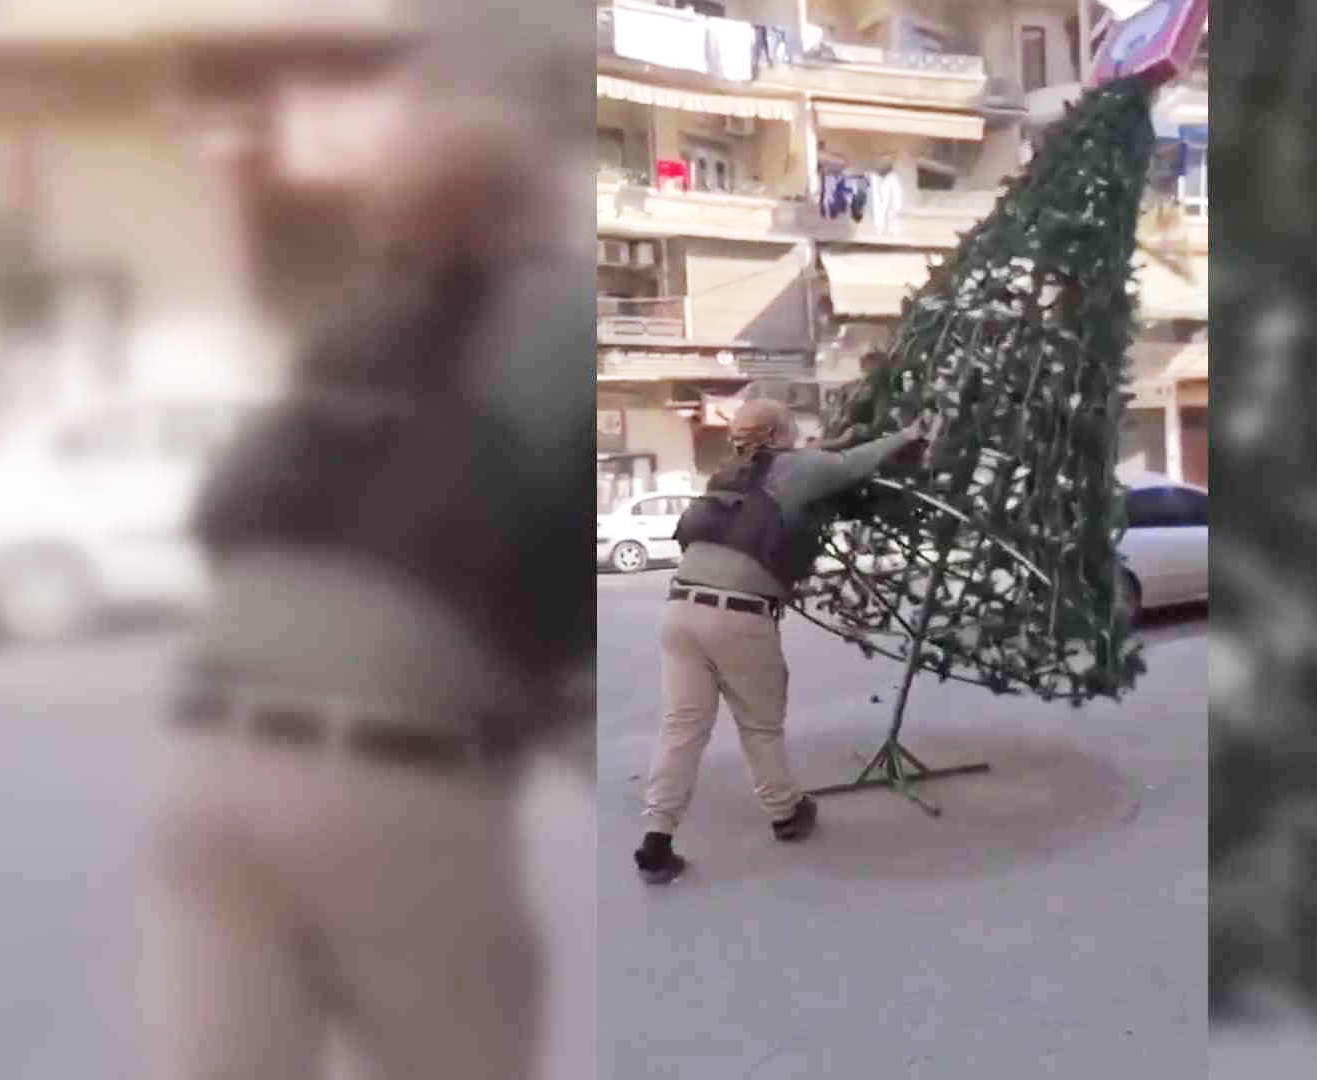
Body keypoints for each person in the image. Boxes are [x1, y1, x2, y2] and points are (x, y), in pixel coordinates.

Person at [138, 95, 594, 1080]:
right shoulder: (555, 321)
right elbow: (556, 570)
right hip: (393, 775)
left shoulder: (348, 335)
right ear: (520, 206)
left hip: (207, 764)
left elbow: (230, 521)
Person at [635, 398, 942, 883]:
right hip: (738, 617)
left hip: (679, 612)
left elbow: (809, 458)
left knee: (681, 729)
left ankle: (657, 840)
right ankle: (785, 813)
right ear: (779, 434)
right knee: (760, 727)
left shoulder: (727, 475)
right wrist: (907, 436)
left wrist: (824, 445)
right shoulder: (793, 470)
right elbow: (848, 464)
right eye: (792, 430)